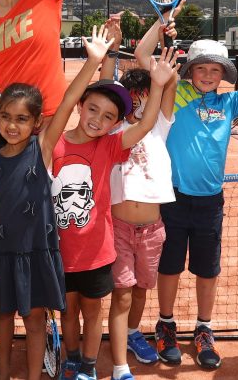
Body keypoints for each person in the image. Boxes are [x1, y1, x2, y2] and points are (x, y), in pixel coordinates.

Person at [0, 27, 130, 380]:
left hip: (37, 254)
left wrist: (93, 62)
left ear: (36, 123)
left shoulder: (42, 148)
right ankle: (1, 374)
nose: (12, 125)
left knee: (34, 319)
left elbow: (71, 98)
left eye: (22, 119)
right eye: (6, 117)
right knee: (1, 318)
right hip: (2, 253)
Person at [155, 9, 238, 370]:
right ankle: (165, 324)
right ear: (190, 71)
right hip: (173, 198)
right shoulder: (174, 91)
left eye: (215, 70)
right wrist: (164, 31)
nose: (209, 75)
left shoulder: (229, 103)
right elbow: (150, 64)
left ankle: (203, 328)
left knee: (207, 270)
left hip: (211, 201)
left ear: (223, 75)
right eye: (201, 68)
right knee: (169, 266)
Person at [54, 33, 179, 380]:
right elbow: (67, 101)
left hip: (98, 249)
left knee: (95, 308)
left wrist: (157, 85)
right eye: (91, 109)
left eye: (108, 115)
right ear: (81, 107)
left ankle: (89, 366)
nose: (97, 118)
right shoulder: (59, 142)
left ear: (114, 122)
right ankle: (72, 356)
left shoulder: (111, 145)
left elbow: (148, 121)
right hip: (64, 248)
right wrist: (95, 61)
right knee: (70, 310)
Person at [99, 12, 179, 380]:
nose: (138, 104)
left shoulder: (160, 125)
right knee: (123, 294)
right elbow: (104, 82)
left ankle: (132, 333)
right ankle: (118, 367)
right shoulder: (112, 128)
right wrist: (114, 48)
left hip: (152, 230)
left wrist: (166, 33)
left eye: (146, 96)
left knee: (142, 291)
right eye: (132, 98)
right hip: (117, 228)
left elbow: (165, 72)